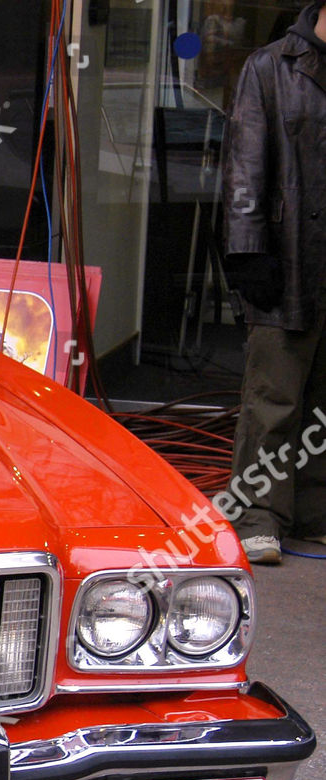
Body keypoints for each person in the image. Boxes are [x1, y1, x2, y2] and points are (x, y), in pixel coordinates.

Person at [222, 2, 326, 565]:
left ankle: (314, 512)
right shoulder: (271, 67)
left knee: (324, 404)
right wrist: (247, 250)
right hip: (288, 260)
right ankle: (258, 515)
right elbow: (245, 166)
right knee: (274, 398)